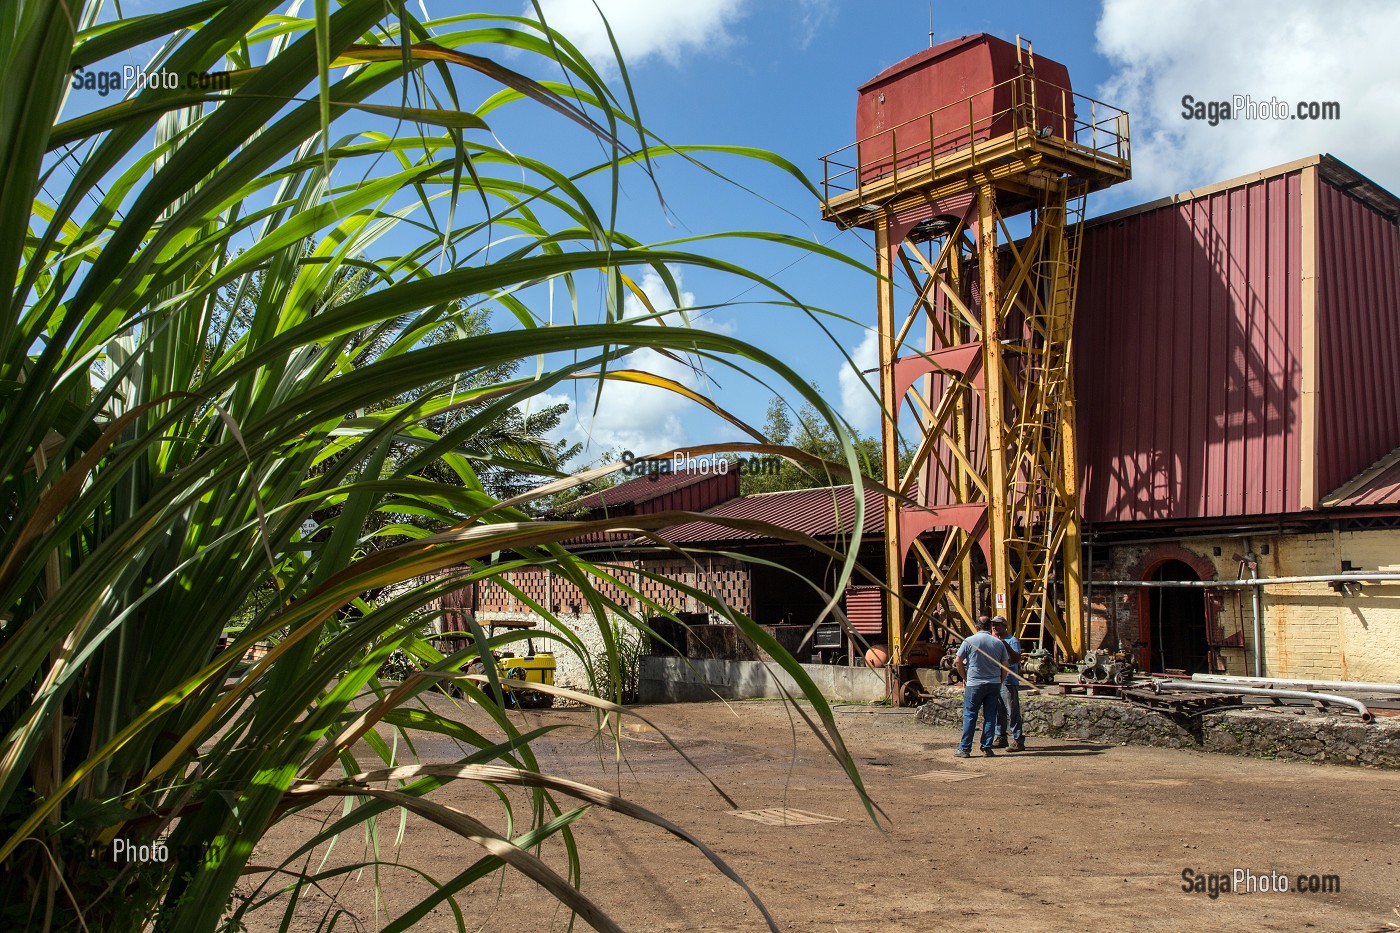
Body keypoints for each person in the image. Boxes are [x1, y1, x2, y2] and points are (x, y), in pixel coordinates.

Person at [953, 615, 1008, 758]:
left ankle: (965, 749)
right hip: (993, 684)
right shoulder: (998, 643)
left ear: (976, 626)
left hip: (974, 684)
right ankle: (987, 747)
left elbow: (958, 662)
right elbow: (1005, 666)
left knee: (970, 716)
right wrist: (1000, 681)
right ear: (990, 626)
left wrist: (965, 678)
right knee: (990, 716)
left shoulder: (969, 641)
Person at [991, 615, 1024, 752]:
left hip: (1009, 680)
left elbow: (1017, 659)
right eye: (993, 625)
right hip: (996, 680)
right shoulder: (993, 641)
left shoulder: (1012, 641)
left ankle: (1018, 740)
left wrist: (1005, 645)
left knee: (1012, 711)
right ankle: (1001, 737)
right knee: (999, 711)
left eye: (998, 625)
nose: (995, 627)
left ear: (1004, 626)